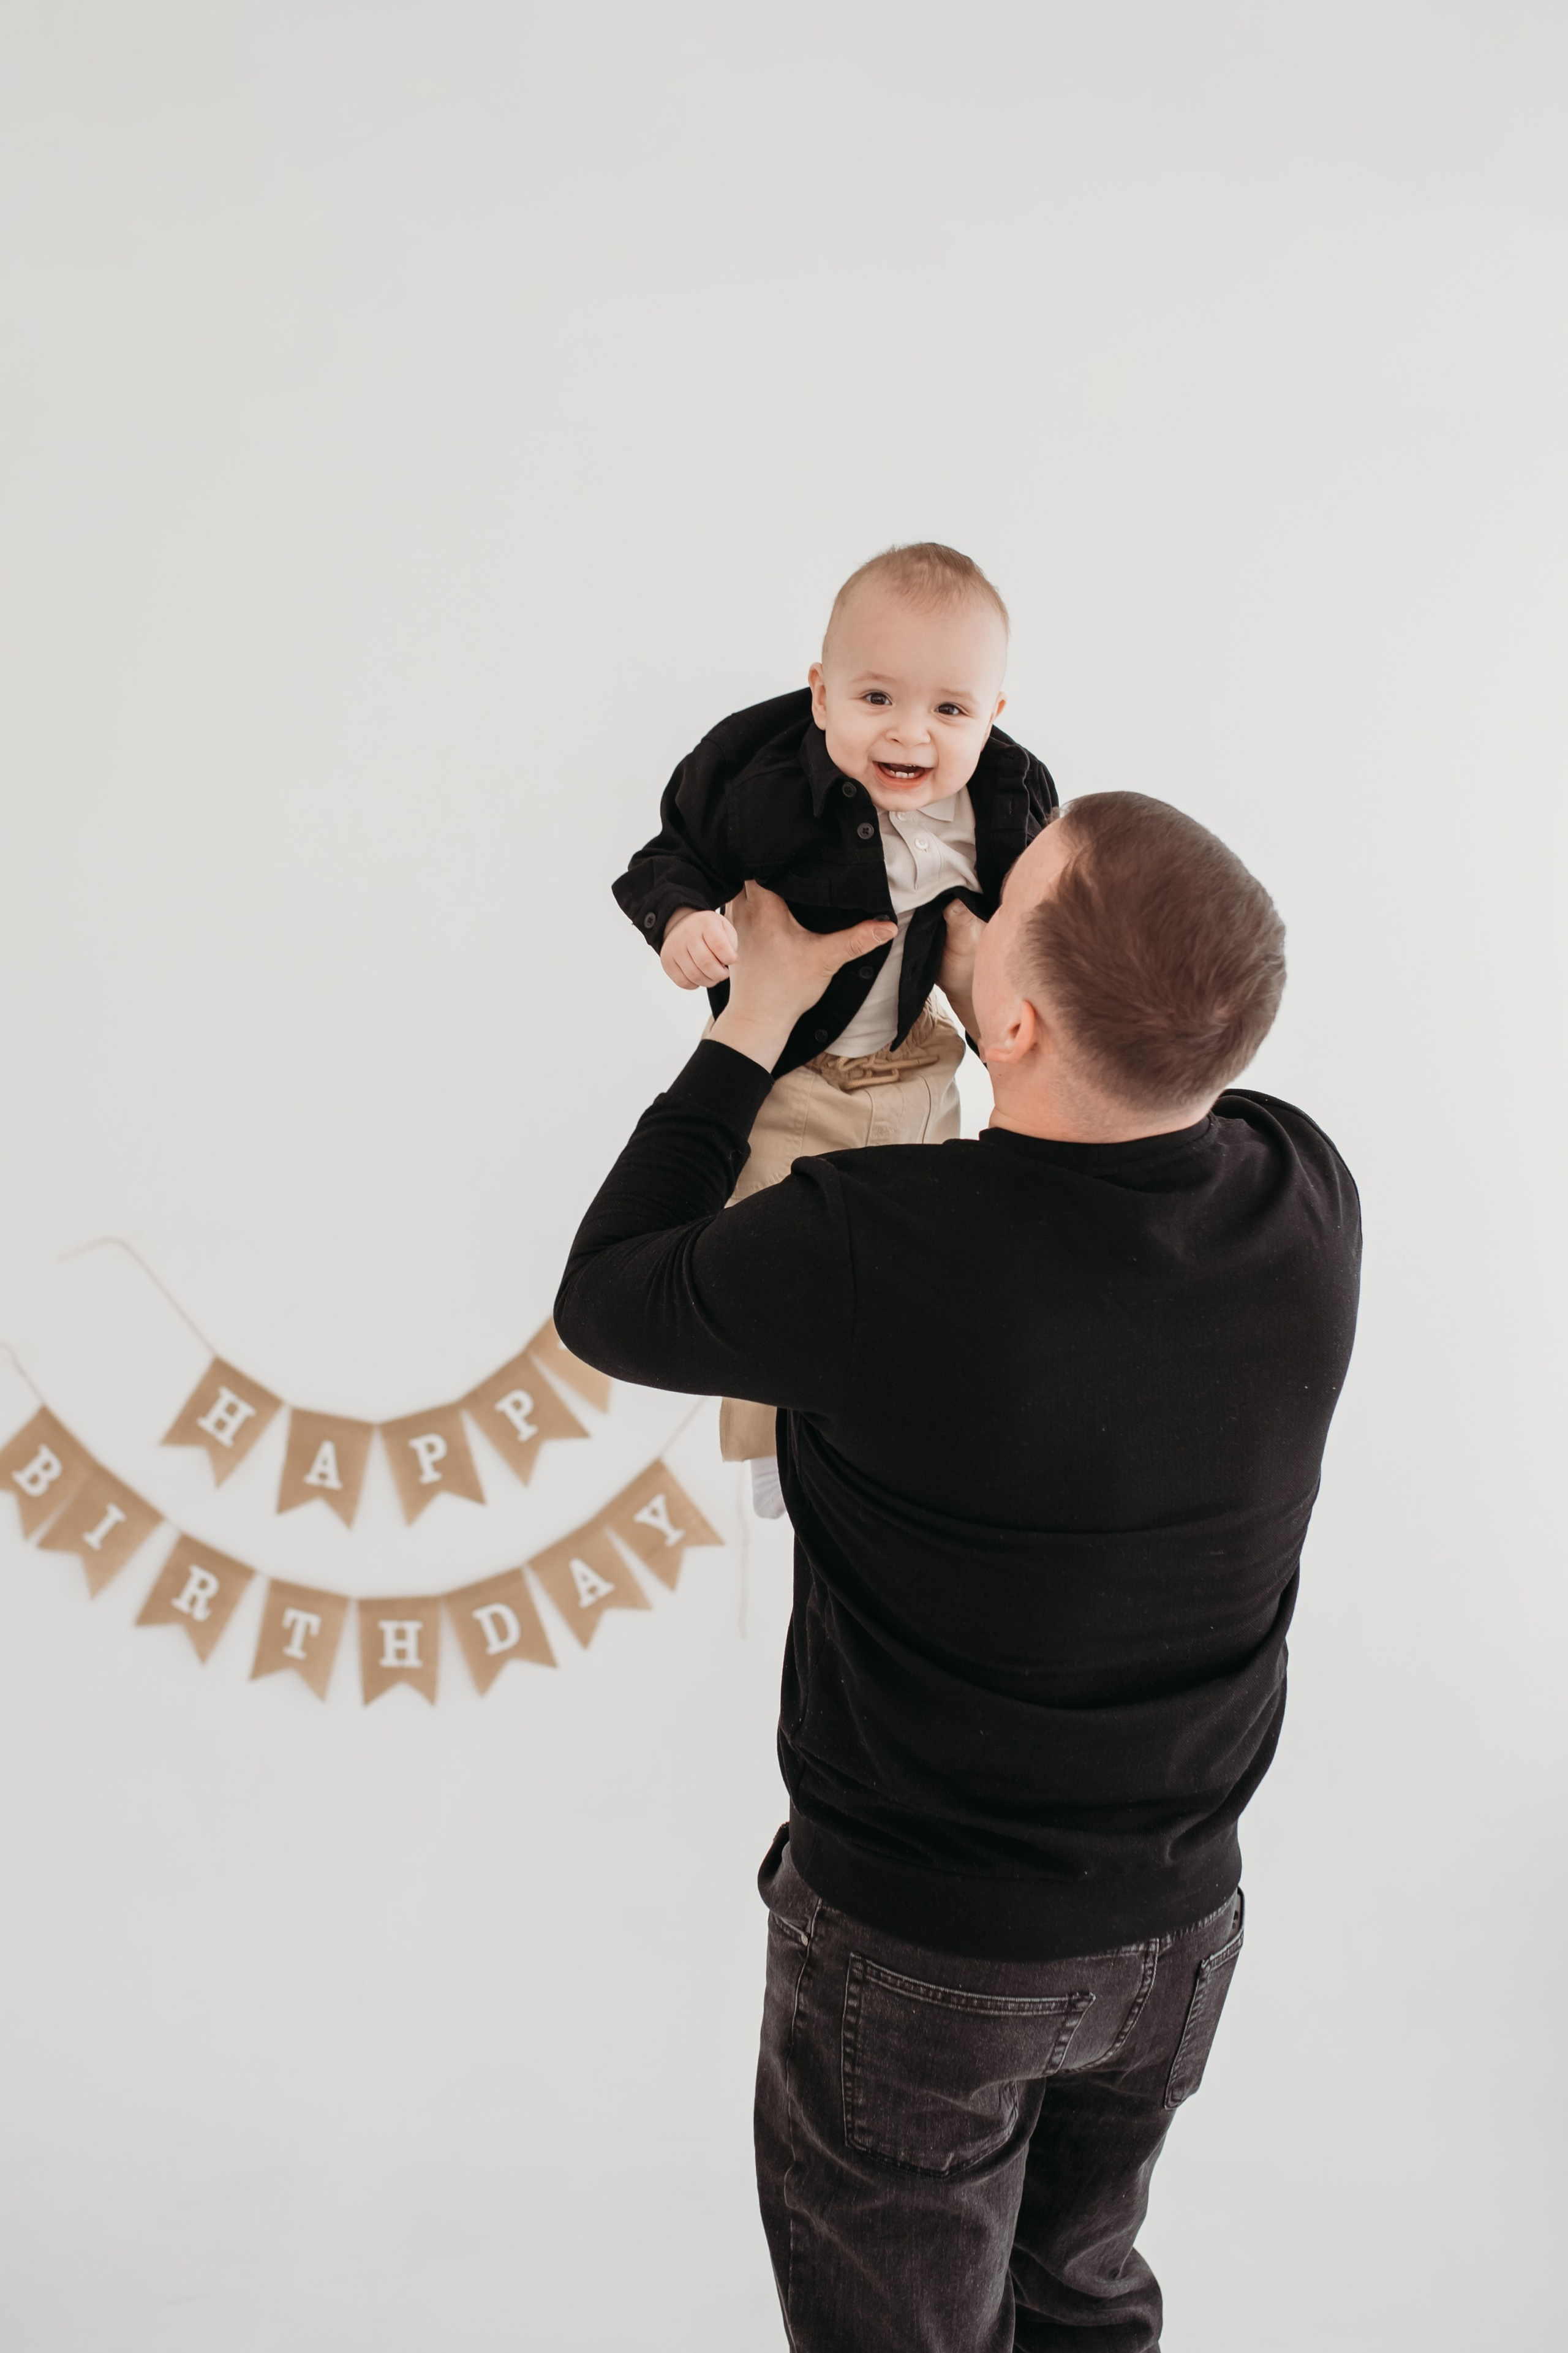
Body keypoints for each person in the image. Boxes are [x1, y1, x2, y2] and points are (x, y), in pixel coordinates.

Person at [557, 790, 1360, 2351]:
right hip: (1174, 1941)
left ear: (1008, 1016)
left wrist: (756, 1025)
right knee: (1079, 2295)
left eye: (1006, 894)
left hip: (926, 1960)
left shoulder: (875, 1244)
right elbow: (1112, 1080)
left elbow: (608, 1297)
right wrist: (1012, 996)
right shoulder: (1302, 1194)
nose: (970, 894)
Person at [611, 542, 1056, 1511]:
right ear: (820, 694)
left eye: (950, 709)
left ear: (993, 717)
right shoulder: (755, 773)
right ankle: (779, 1457)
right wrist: (683, 921)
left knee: (929, 1252)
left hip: (915, 1060)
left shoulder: (1010, 799)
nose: (910, 735)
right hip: (791, 1072)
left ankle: (911, 1430)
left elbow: (1037, 931)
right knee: (770, 1260)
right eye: (876, 699)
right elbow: (670, 852)